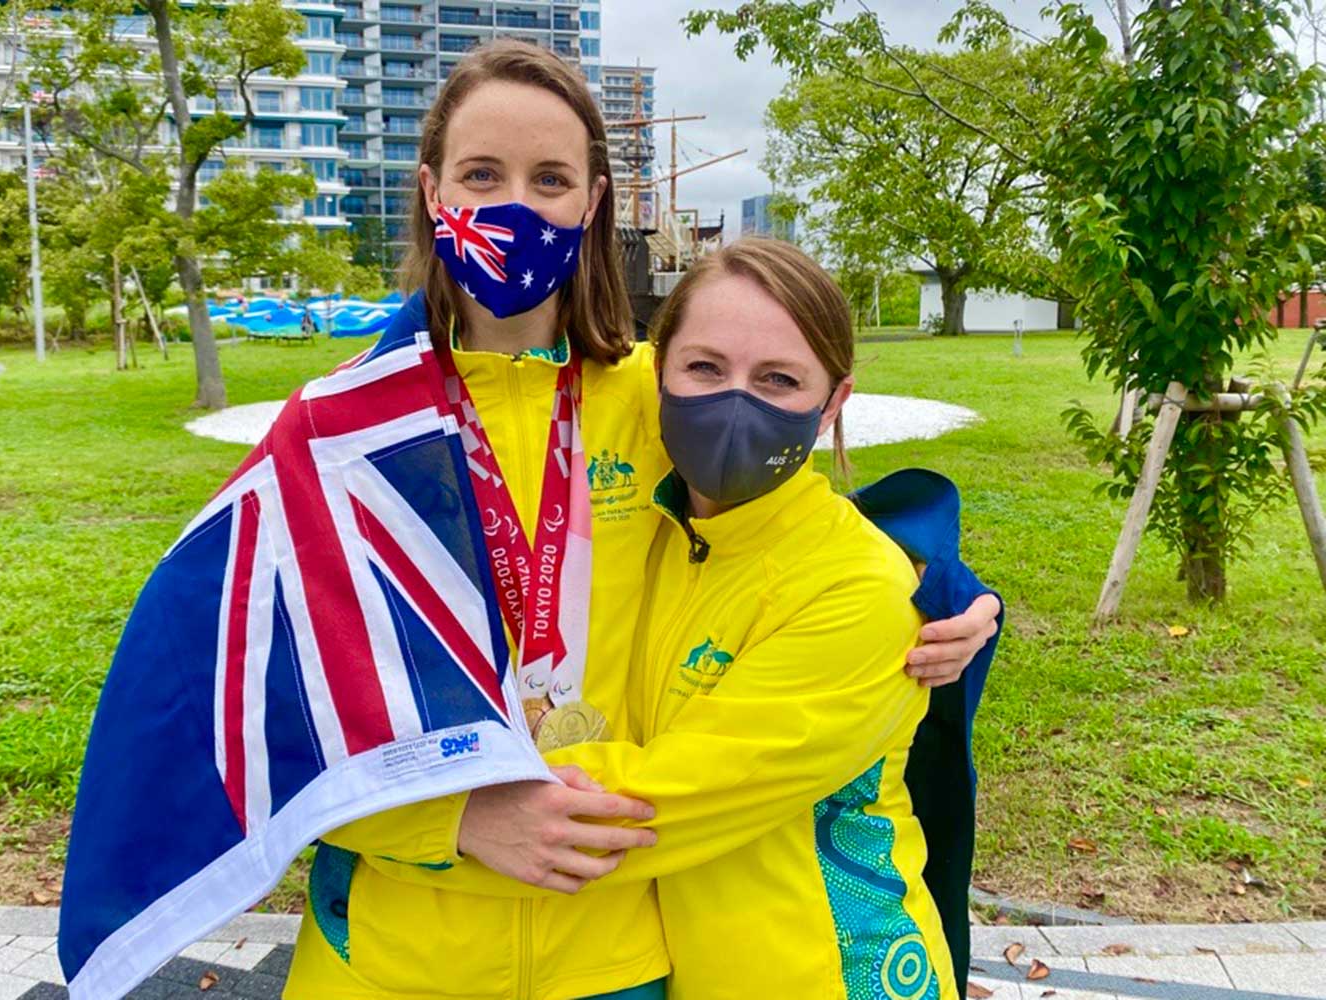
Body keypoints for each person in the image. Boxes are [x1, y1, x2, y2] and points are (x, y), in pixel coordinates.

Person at [283, 41, 999, 1000]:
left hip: (615, 952)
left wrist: (945, 587)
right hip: (393, 948)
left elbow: (792, 520)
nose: (514, 208)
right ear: (431, 188)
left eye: (550, 180)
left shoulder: (653, 399)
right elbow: (268, 711)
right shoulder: (341, 428)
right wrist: (449, 820)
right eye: (481, 175)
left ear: (593, 203)